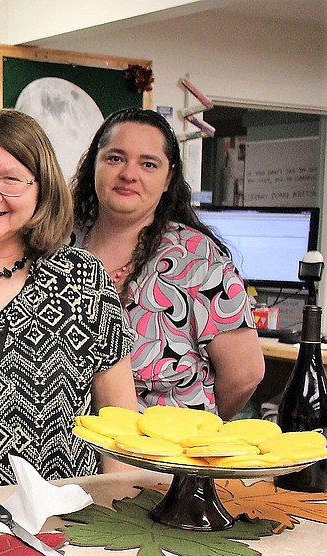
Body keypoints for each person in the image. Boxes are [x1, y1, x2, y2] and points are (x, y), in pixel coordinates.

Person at [0, 109, 138, 487]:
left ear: (41, 189)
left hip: (55, 529)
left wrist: (117, 520)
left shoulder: (83, 281)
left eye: (12, 179)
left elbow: (119, 432)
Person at [71, 107, 264, 416]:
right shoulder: (56, 245)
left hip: (163, 456)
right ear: (94, 163)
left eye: (148, 164)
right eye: (115, 158)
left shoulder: (199, 260)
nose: (128, 174)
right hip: (68, 455)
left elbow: (245, 375)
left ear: (168, 177)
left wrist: (191, 434)